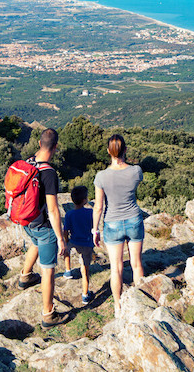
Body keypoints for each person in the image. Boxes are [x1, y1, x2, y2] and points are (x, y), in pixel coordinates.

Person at [17, 128, 68, 328]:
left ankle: (25, 276)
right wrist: (60, 238)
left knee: (36, 242)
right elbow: (53, 210)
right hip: (43, 225)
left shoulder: (28, 162)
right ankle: (48, 314)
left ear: (39, 144)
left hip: (26, 220)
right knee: (48, 270)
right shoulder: (49, 173)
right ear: (55, 147)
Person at [92, 134, 144, 316]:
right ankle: (141, 302)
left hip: (112, 223)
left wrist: (94, 230)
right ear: (126, 150)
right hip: (134, 219)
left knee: (116, 268)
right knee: (136, 264)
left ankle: (117, 306)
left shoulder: (101, 177)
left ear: (108, 151)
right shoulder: (136, 171)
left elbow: (98, 207)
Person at [62, 185, 95, 305]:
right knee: (85, 269)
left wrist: (65, 243)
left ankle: (67, 271)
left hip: (74, 241)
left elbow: (65, 231)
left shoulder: (69, 214)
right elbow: (94, 227)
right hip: (86, 243)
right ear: (85, 200)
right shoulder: (90, 212)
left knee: (66, 248)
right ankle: (85, 295)